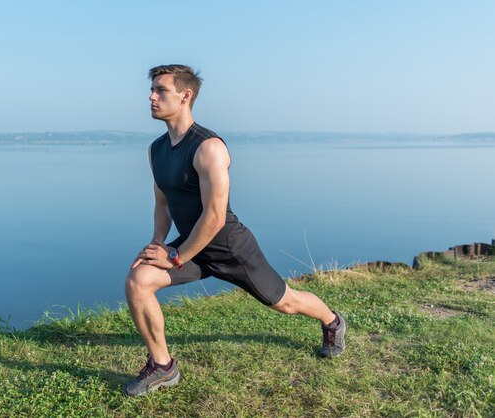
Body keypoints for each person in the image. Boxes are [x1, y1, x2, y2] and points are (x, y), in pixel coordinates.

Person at [123, 64, 346, 397]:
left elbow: (213, 217)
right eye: (151, 90)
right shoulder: (156, 149)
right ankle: (163, 366)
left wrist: (177, 257)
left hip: (229, 247)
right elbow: (162, 203)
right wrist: (158, 244)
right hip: (190, 247)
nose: (151, 97)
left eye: (160, 90)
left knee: (286, 303)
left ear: (185, 96)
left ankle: (332, 321)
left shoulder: (209, 147)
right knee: (138, 279)